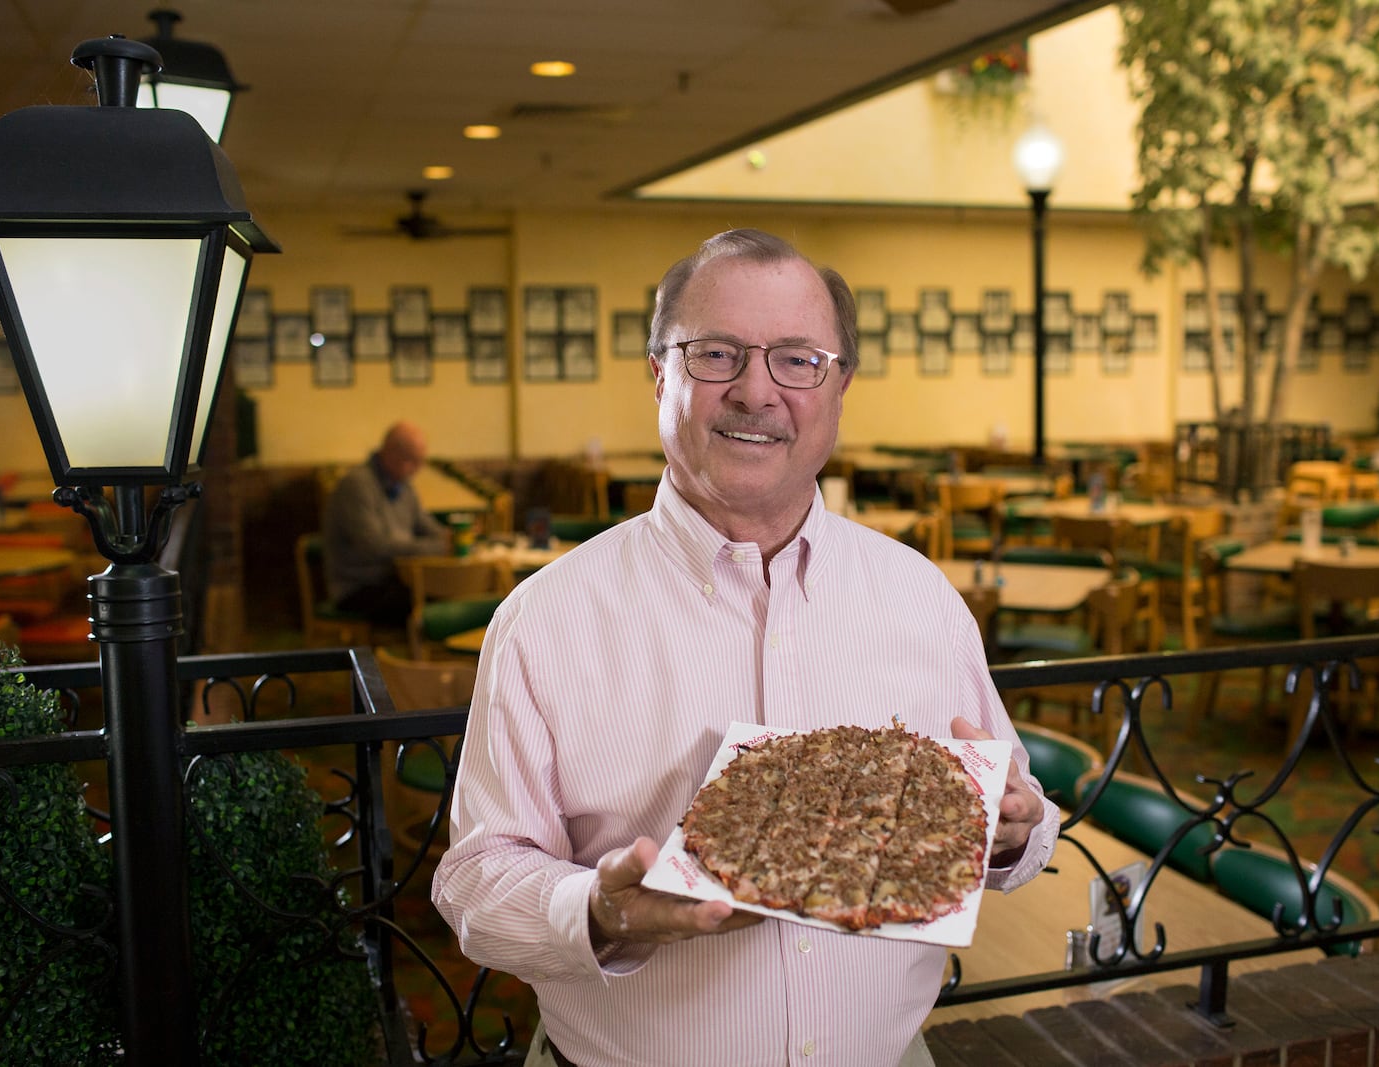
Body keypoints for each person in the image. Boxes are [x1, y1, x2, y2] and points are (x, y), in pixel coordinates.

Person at [431, 229, 1058, 1067]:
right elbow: (474, 883)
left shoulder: (923, 598)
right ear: (661, 374)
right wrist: (601, 909)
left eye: (798, 359)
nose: (756, 391)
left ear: (839, 387)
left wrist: (1013, 830)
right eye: (717, 354)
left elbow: (1023, 816)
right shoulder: (545, 620)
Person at [322, 421, 451, 627]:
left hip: (395, 579)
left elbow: (426, 526)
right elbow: (374, 547)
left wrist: (452, 538)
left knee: (446, 591)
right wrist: (440, 547)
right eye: (412, 461)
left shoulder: (403, 486)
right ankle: (417, 655)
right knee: (434, 601)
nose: (417, 469)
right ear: (390, 454)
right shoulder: (356, 485)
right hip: (359, 587)